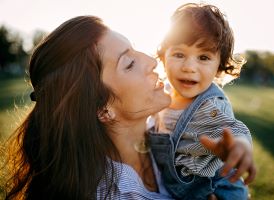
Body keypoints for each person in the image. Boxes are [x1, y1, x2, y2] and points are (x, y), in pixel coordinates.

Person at [3, 15, 251, 200]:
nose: (152, 61)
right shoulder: (108, 194)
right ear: (103, 110)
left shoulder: (168, 125)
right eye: (129, 63)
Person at [149, 3, 256, 200]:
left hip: (218, 189)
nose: (189, 67)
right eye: (179, 54)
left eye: (204, 57)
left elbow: (233, 129)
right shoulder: (162, 95)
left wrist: (239, 146)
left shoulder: (208, 106)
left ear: (219, 67)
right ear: (164, 58)